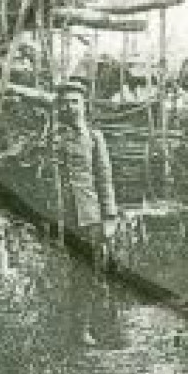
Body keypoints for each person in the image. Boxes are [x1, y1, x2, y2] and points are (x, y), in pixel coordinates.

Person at [53, 79, 122, 345]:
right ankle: (69, 329)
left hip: (88, 216)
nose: (70, 107)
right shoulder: (54, 137)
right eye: (66, 102)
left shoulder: (94, 138)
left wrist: (110, 217)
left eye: (75, 102)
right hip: (61, 214)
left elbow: (104, 179)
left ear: (84, 106)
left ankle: (87, 329)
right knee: (67, 272)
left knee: (89, 272)